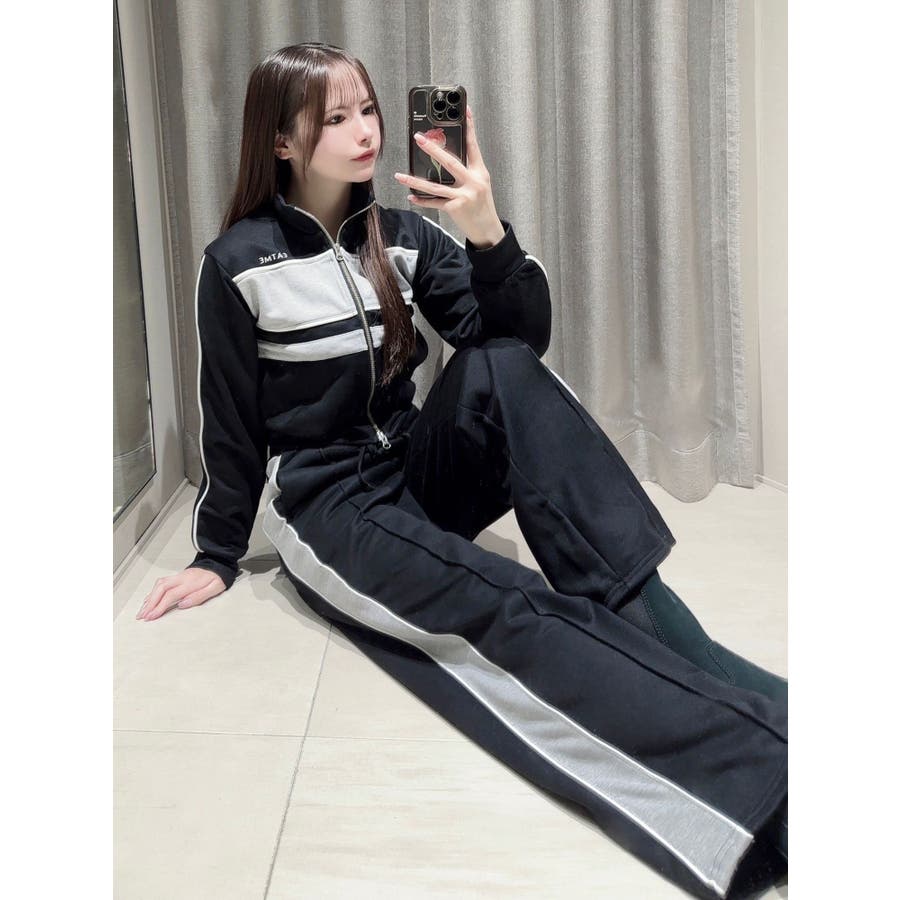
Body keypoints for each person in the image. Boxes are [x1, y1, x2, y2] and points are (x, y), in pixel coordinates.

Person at [136, 41, 787, 899]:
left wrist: (486, 230)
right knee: (509, 605)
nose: (366, 131)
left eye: (369, 109)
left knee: (500, 369)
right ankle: (767, 783)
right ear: (282, 141)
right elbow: (229, 424)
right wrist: (217, 554)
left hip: (415, 463)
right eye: (336, 118)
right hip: (331, 503)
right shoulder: (238, 264)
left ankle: (681, 640)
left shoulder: (406, 237)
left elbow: (515, 346)